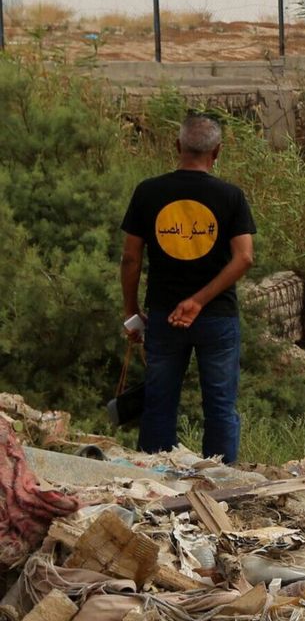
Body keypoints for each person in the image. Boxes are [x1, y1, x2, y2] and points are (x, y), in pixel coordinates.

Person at [120, 115, 256, 462]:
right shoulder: (230, 196)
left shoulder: (148, 192)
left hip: (164, 316)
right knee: (221, 406)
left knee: (159, 402)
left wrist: (131, 310)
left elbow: (130, 259)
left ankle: (155, 478)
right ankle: (220, 482)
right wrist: (198, 301)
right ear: (217, 151)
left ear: (178, 146)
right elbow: (244, 259)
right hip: (218, 317)